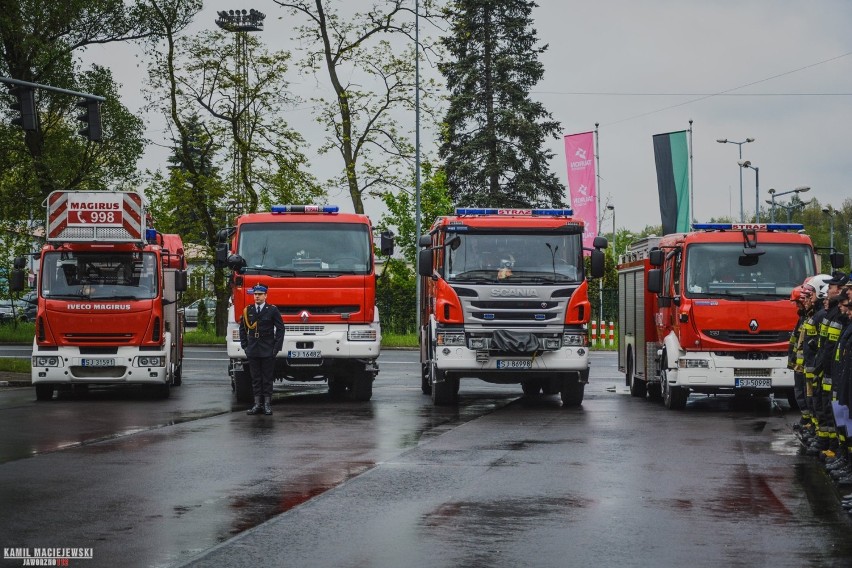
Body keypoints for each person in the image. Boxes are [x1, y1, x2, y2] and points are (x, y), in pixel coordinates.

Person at [239, 284, 285, 416]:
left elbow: (280, 329)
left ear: (266, 295)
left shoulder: (272, 310)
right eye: (255, 294)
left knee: (267, 378)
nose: (257, 296)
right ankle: (257, 404)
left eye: (260, 294)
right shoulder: (248, 310)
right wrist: (245, 346)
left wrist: (276, 348)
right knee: (256, 378)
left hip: (267, 349)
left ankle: (267, 405)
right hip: (253, 349)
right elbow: (243, 329)